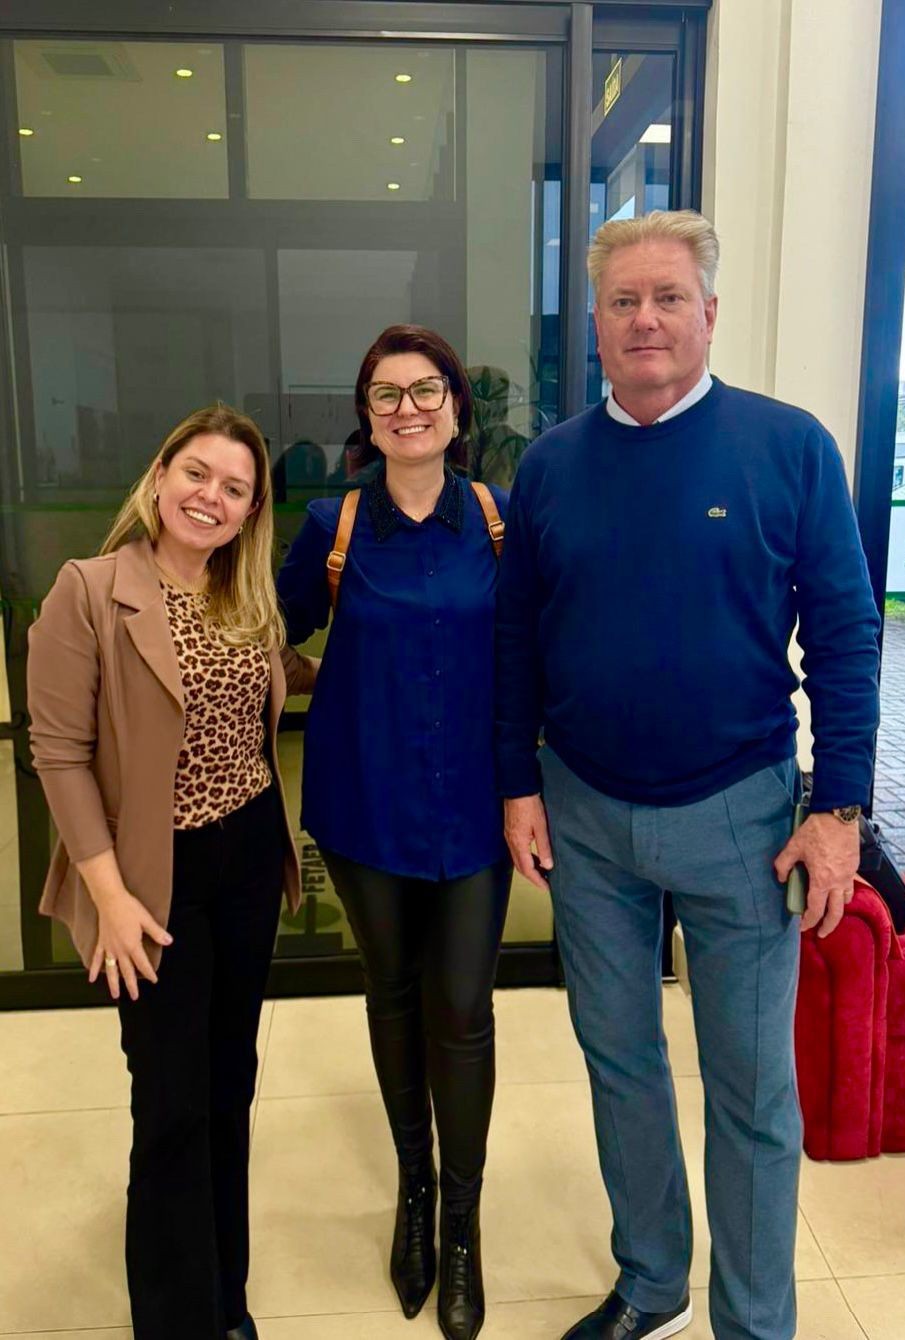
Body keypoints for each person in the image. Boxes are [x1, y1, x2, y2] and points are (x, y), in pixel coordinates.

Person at [495, 211, 880, 1340]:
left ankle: (753, 1322)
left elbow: (846, 633)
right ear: (595, 325)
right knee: (618, 1059)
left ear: (708, 313)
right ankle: (651, 1279)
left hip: (742, 817)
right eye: (622, 301)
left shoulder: (788, 446)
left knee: (752, 1089)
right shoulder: (549, 465)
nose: (645, 319)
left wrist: (838, 809)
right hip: (583, 812)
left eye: (668, 297)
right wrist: (517, 781)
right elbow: (517, 637)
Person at [27, 404, 318, 1340]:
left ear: (249, 512)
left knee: (229, 1083)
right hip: (150, 876)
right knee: (169, 1102)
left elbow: (285, 676)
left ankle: (225, 1300)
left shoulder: (246, 597)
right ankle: (172, 1317)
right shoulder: (87, 591)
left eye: (234, 488)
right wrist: (109, 898)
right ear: (159, 477)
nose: (210, 497)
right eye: (197, 474)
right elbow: (59, 755)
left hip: (246, 857)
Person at [277, 325, 510, 1340]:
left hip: (474, 808)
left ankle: (460, 1224)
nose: (407, 408)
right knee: (393, 993)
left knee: (462, 1006)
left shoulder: (498, 522)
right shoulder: (331, 526)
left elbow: (533, 651)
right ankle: (413, 1190)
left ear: (455, 408)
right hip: (363, 803)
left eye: (425, 390)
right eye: (386, 394)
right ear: (366, 418)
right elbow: (265, 632)